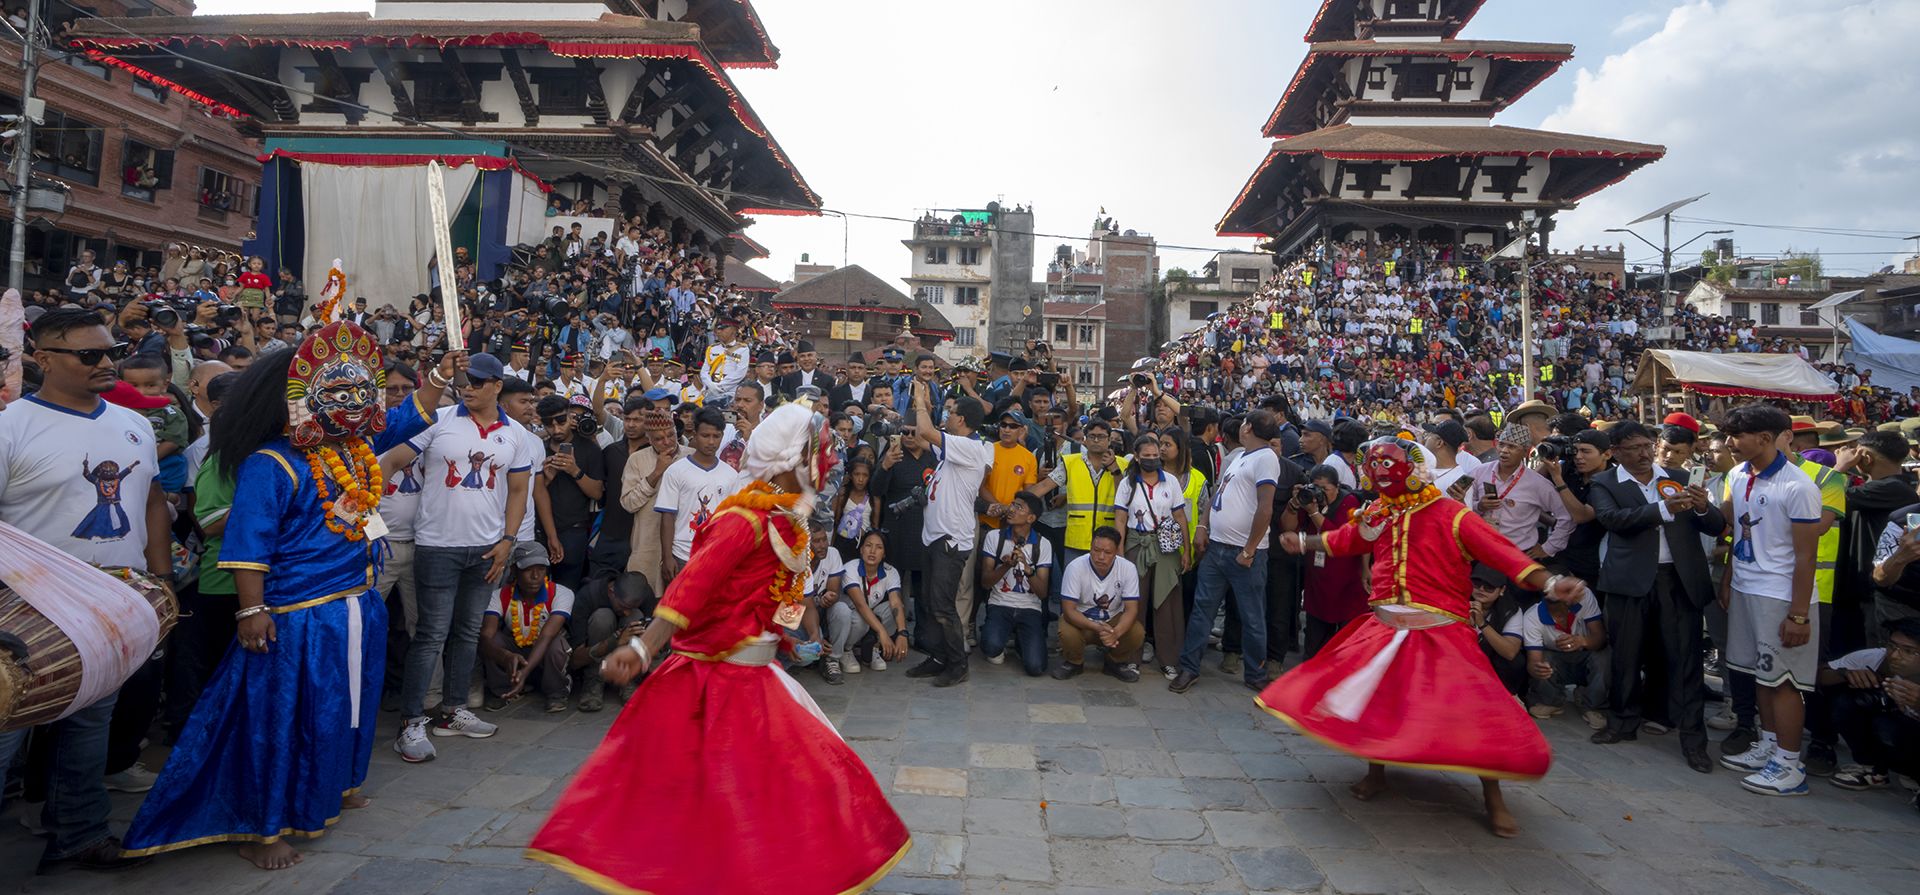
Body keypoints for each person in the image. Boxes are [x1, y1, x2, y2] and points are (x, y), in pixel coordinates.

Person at [527, 403, 910, 895]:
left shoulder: (782, 520)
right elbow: (691, 588)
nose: (828, 463)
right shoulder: (744, 521)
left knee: (796, 781)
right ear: (790, 461)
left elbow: (768, 600)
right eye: (818, 454)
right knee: (709, 793)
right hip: (712, 681)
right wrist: (643, 650)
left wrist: (788, 641)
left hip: (756, 676)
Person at [123, 323, 455, 869]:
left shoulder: (351, 448)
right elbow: (247, 544)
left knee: (347, 711)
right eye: (338, 394)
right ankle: (263, 828)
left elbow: (404, 418)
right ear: (302, 399)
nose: (353, 404)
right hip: (297, 617)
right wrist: (252, 610)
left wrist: (442, 374)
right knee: (278, 724)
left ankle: (333, 790)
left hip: (357, 603)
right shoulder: (269, 463)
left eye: (358, 394)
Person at [1267, 436, 1584, 838]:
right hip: (1384, 625)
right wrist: (1305, 542)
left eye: (1388, 468)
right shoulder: (1379, 512)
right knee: (1376, 701)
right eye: (1374, 468)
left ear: (1414, 469)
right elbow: (1347, 540)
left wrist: (1552, 582)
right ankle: (1377, 771)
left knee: (1476, 712)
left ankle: (1493, 797)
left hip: (1440, 629)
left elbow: (1505, 554)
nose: (1379, 476)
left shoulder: (1453, 515)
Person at [0, 308, 167, 872]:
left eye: (112, 352)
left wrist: (160, 581)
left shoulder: (133, 423)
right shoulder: (10, 425)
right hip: (23, 612)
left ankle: (79, 832)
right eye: (90, 355)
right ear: (42, 358)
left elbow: (150, 502)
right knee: (4, 735)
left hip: (110, 604)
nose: (106, 363)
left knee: (90, 727)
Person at [380, 352, 534, 763]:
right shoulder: (440, 420)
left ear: (498, 385)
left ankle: (453, 710)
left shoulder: (515, 433)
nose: (469, 387)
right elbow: (392, 460)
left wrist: (508, 539)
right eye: (465, 381)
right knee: (430, 635)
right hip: (437, 545)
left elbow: (519, 491)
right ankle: (412, 722)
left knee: (467, 633)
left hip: (487, 548)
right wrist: (359, 504)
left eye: (479, 382)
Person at [1586, 420, 1725, 773]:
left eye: (1648, 446)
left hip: (1677, 580)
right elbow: (1614, 520)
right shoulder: (1605, 482)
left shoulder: (1678, 477)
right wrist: (1665, 509)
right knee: (1626, 656)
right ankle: (1622, 722)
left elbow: (1714, 525)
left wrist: (1702, 506)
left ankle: (1694, 740)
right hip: (1629, 582)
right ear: (1615, 452)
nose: (1645, 454)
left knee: (1686, 661)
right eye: (1634, 448)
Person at [1716, 404, 1824, 797]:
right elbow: (1736, 535)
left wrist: (1798, 614)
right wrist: (1729, 579)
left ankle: (1790, 765)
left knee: (1784, 682)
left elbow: (1806, 556)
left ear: (1765, 438)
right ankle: (1769, 746)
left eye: (1737, 436)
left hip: (1780, 597)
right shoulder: (1737, 473)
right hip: (1747, 588)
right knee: (1759, 675)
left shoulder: (1798, 487)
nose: (1730, 443)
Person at [1171, 410, 1283, 694]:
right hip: (1217, 547)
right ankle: (1189, 667)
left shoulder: (1266, 457)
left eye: (1244, 423)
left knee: (1252, 615)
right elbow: (1218, 493)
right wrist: (1204, 526)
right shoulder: (1239, 457)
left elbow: (1265, 507)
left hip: (1245, 554)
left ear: (1249, 428)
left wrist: (1249, 549)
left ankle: (1255, 674)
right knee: (1202, 611)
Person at [907, 379, 991, 688]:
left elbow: (928, 433)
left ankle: (957, 664)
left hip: (951, 541)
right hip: (935, 537)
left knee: (943, 605)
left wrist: (918, 399)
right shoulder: (954, 450)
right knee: (930, 603)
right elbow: (923, 436)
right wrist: (924, 408)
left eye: (952, 412)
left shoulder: (970, 448)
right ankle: (938, 656)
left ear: (963, 420)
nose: (948, 415)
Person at [1113, 431, 1190, 678]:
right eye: (1146, 456)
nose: (1152, 459)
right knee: (1135, 600)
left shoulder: (1171, 481)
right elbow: (1121, 518)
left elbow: (1180, 517)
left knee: (1168, 602)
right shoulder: (1128, 483)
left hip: (1166, 546)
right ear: (1136, 457)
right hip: (1137, 543)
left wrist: (1186, 550)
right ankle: (1131, 657)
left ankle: (1169, 659)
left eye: (1156, 455)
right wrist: (1120, 551)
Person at [1816, 617, 1920, 797]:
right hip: (1893, 737)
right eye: (1892, 646)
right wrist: (1845, 674)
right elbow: (1818, 675)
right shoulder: (1876, 658)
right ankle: (1872, 769)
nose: (1895, 655)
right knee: (1846, 700)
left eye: (1908, 651)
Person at [1283, 464, 1367, 659]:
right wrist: (1294, 504)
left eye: (1325, 489)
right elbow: (1287, 527)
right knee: (1314, 642)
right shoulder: (1309, 500)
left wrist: (1314, 512)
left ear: (1337, 487)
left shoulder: (1350, 502)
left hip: (1346, 582)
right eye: (1316, 487)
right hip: (1317, 582)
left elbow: (1338, 536)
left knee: (1346, 644)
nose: (1320, 493)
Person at [480, 544, 575, 713]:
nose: (535, 576)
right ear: (514, 571)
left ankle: (556, 693)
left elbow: (547, 635)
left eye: (541, 569)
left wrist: (526, 671)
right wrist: (505, 656)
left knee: (557, 644)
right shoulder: (499, 596)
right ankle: (503, 691)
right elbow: (485, 637)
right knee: (494, 640)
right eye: (528, 570)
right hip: (516, 655)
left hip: (544, 654)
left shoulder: (562, 594)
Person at [655, 407, 742, 589]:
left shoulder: (731, 475)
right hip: (682, 555)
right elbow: (667, 516)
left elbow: (733, 520)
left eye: (716, 436)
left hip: (716, 557)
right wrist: (667, 557)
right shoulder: (676, 471)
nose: (711, 442)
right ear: (694, 433)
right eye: (705, 435)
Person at [1053, 526, 1145, 682]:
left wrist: (1115, 633)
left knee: (1137, 632)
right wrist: (1098, 627)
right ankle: (1074, 662)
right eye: (1096, 550)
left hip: (1112, 619)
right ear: (1090, 547)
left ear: (1116, 552)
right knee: (1066, 630)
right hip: (1081, 620)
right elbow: (1069, 610)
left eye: (1107, 553)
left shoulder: (1128, 568)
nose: (1100, 557)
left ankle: (1114, 662)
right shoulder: (1075, 567)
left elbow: (1131, 610)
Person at [979, 492, 1053, 676]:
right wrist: (1005, 566)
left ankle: (1022, 640)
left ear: (1031, 518)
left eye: (1019, 507)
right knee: (990, 647)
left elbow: (1043, 593)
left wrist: (1029, 570)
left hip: (1030, 608)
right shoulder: (994, 537)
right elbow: (985, 583)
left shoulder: (1043, 544)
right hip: (999, 604)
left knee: (1036, 668)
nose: (1011, 509)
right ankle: (1004, 639)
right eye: (1012, 504)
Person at [827, 530, 909, 674]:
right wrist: (883, 632)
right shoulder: (850, 568)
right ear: (861, 549)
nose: (872, 551)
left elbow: (896, 603)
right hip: (848, 616)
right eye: (868, 545)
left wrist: (902, 633)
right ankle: (846, 650)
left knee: (895, 609)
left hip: (867, 613)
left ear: (884, 553)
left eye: (879, 547)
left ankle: (873, 648)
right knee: (858, 619)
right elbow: (860, 605)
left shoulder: (891, 572)